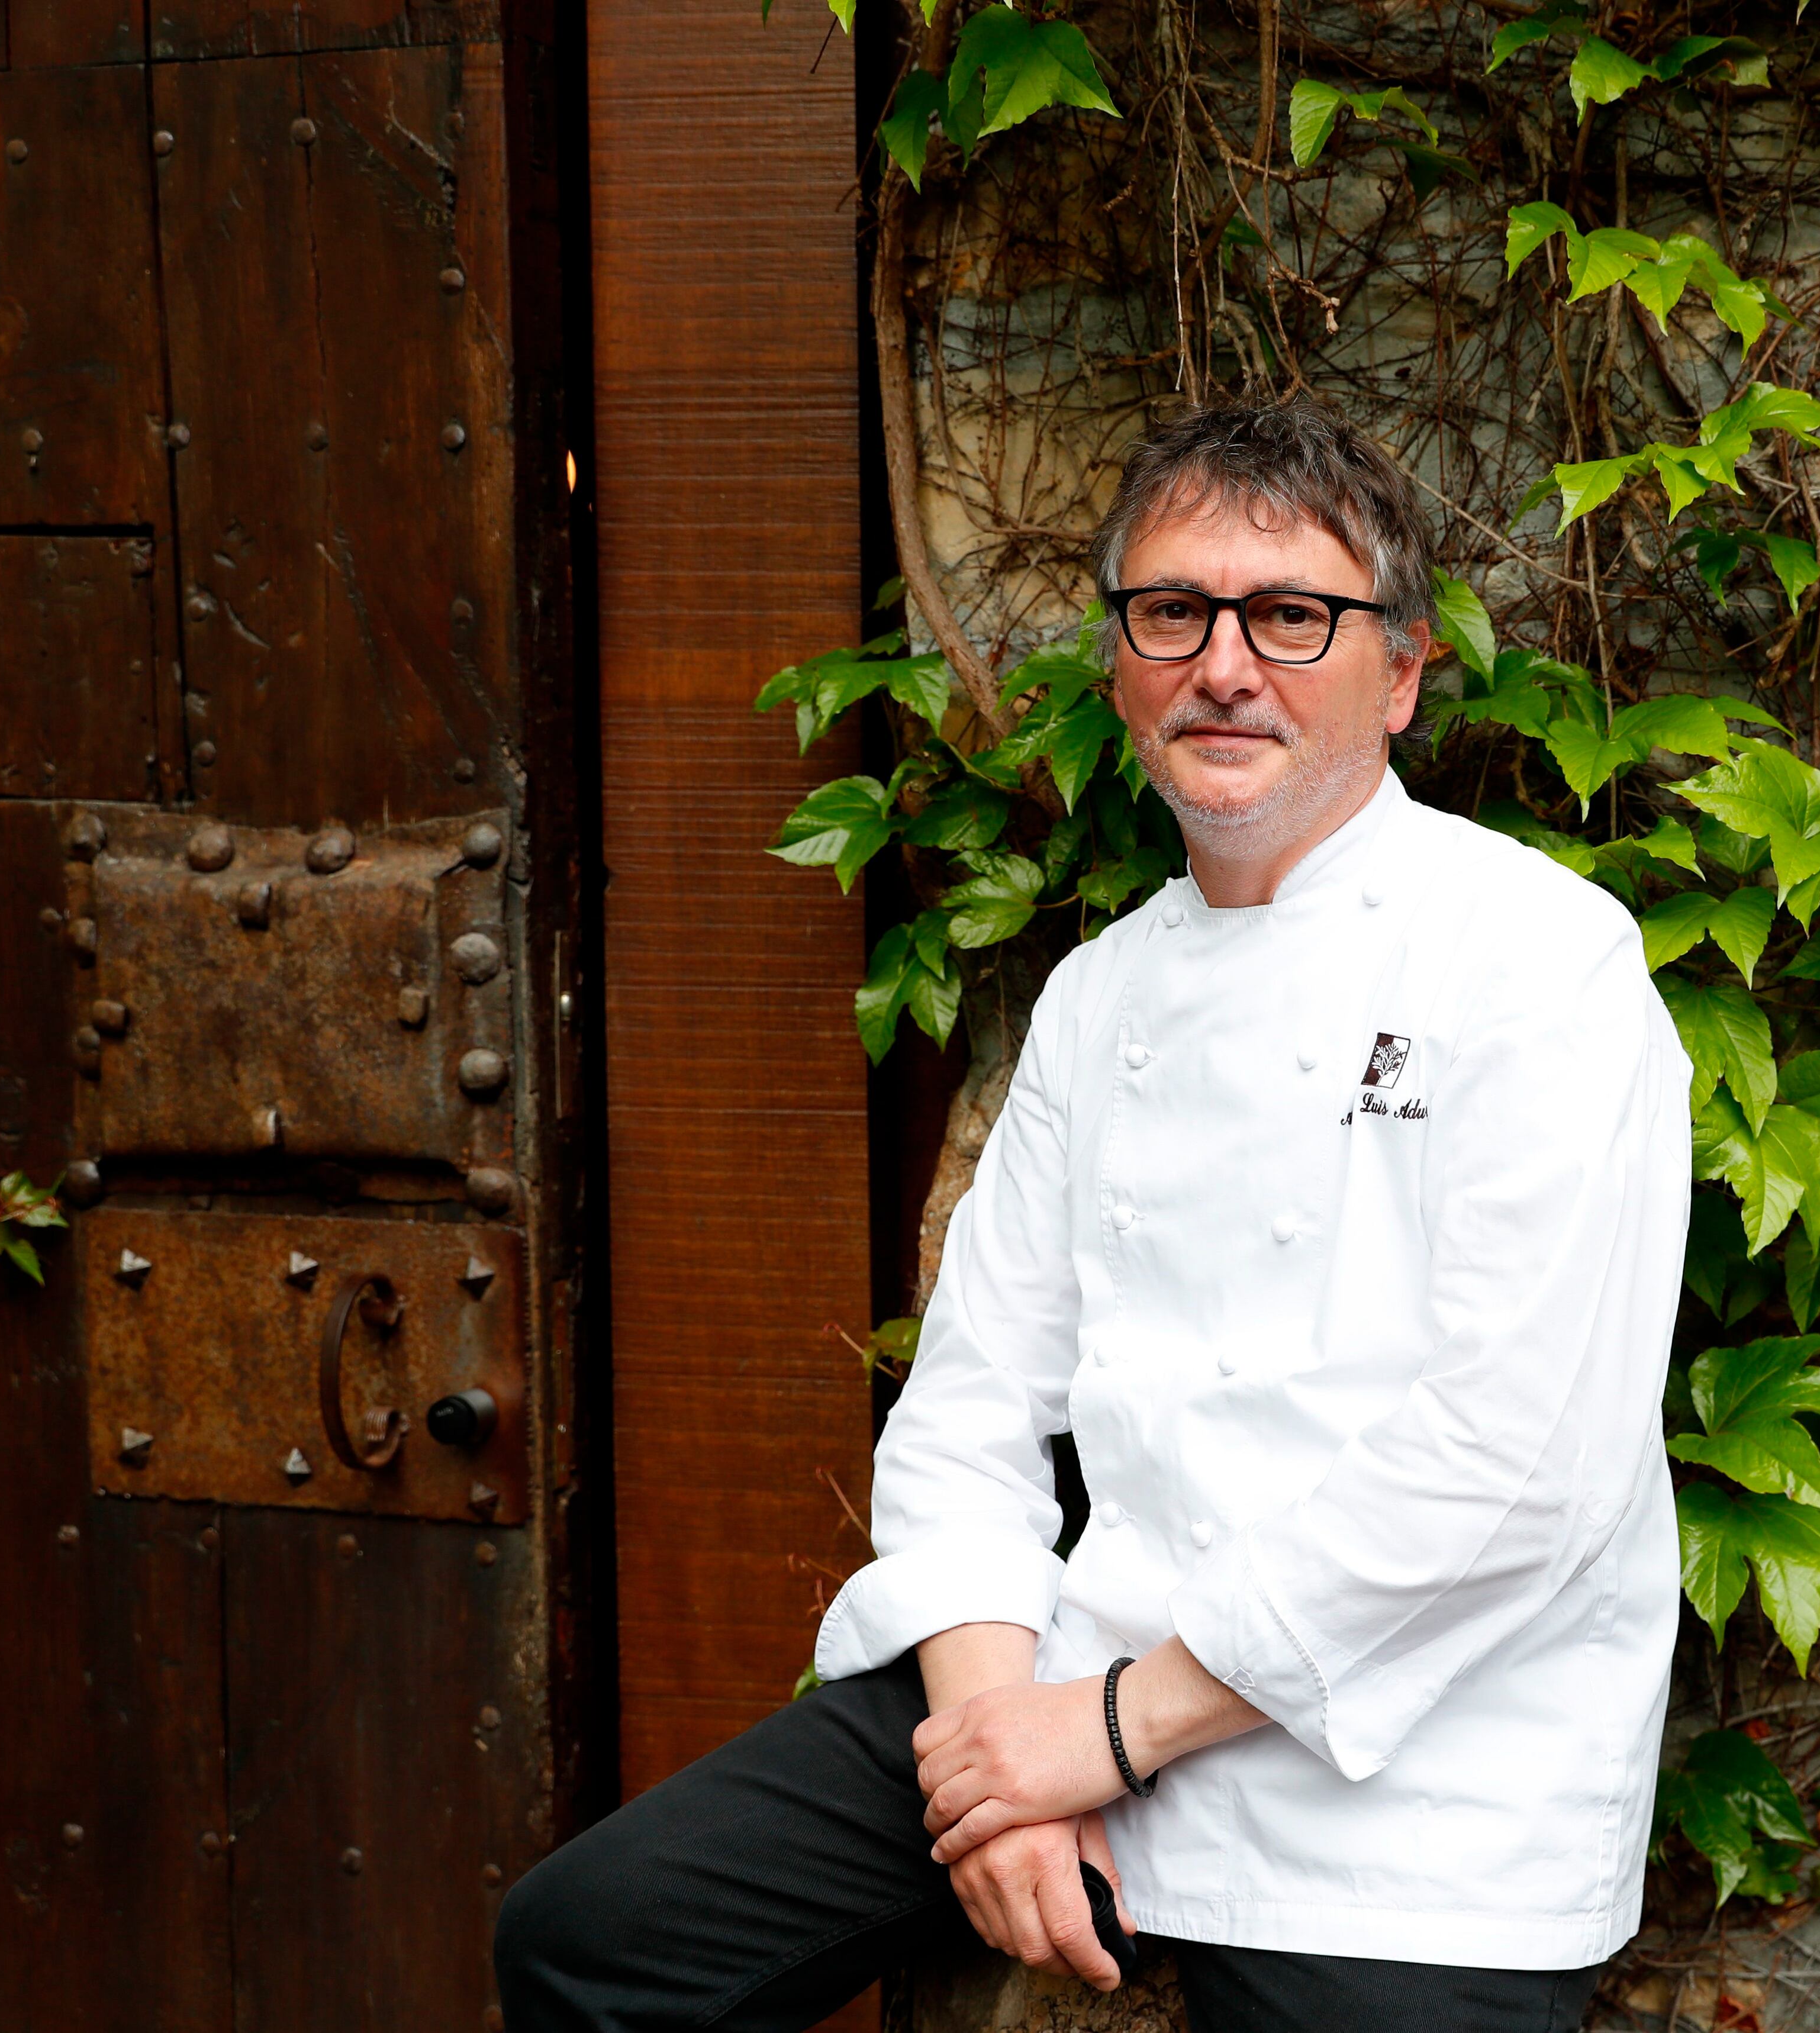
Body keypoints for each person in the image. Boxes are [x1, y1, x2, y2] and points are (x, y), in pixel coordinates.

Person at [495, 398, 1694, 2032]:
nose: (1224, 664)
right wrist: (1005, 1750)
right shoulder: (1101, 991)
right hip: (1086, 1681)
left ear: (1401, 671)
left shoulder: (1538, 959)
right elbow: (971, 1409)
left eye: (1293, 616)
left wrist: (1114, 1729)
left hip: (1423, 1784)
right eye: (1172, 611)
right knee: (595, 1940)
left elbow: (1517, 1467)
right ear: (1123, 660)